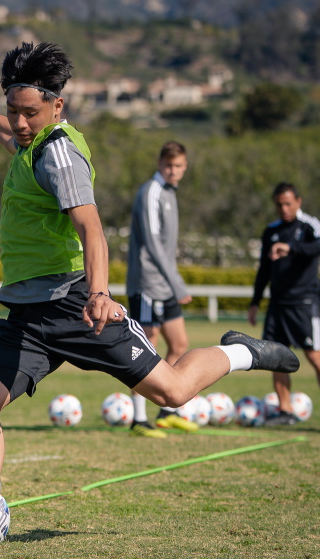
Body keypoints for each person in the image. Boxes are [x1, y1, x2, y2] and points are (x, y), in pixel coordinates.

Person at [0, 42, 300, 542]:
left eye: (30, 113)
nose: (20, 122)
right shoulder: (32, 144)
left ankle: (239, 353)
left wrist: (99, 292)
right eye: (13, 111)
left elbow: (92, 229)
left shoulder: (60, 156)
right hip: (28, 316)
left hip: (76, 305)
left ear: (58, 107)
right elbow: (10, 137)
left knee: (174, 392)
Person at [249, 182, 320, 427]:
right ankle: (285, 411)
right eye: (279, 204)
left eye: (288, 203)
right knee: (275, 358)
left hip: (304, 304)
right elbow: (264, 270)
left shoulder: (310, 225)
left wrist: (291, 248)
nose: (284, 208)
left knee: (315, 357)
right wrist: (255, 301)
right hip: (278, 305)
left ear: (298, 202)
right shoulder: (271, 231)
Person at [124, 141, 197, 438]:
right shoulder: (151, 192)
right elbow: (153, 246)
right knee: (145, 347)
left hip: (165, 284)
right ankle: (138, 419)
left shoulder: (170, 192)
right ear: (159, 163)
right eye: (169, 166)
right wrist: (178, 283)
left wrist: (173, 281)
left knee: (179, 344)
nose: (173, 171)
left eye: (179, 166)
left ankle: (167, 410)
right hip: (147, 284)